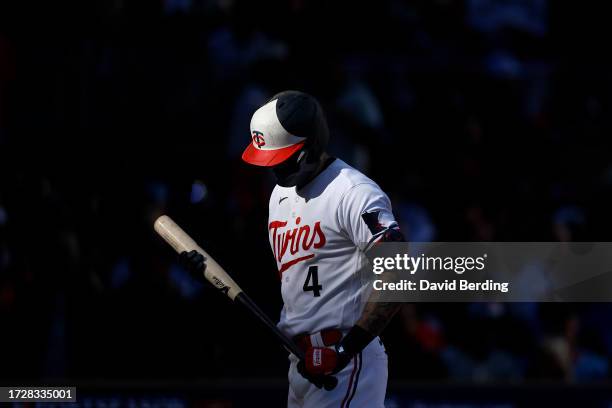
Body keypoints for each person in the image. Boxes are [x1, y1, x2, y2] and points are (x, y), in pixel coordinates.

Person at [181, 90, 403, 407]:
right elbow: (289, 280)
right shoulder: (279, 197)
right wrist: (208, 270)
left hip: (344, 361)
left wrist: (344, 350)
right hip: (299, 361)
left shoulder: (352, 191)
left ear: (310, 145)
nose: (275, 172)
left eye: (282, 161)